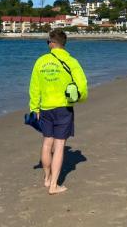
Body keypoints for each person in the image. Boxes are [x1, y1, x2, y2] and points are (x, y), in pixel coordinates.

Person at [29, 29, 88, 194]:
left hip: (45, 107)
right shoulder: (71, 61)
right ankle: (54, 185)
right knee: (60, 145)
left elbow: (34, 87)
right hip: (63, 107)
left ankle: (47, 179)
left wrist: (35, 108)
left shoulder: (41, 61)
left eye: (48, 42)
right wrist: (79, 99)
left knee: (47, 143)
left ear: (51, 43)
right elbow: (82, 85)